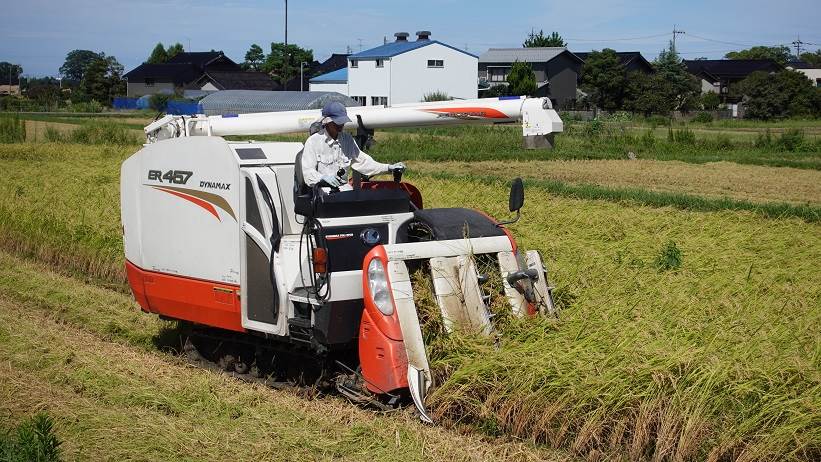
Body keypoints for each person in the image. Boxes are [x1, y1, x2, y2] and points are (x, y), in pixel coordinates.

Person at [301, 101, 404, 191]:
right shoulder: (313, 142)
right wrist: (322, 178)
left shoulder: (347, 140)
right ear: (326, 122)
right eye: (337, 123)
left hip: (344, 191)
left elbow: (363, 162)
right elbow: (308, 172)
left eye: (342, 122)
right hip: (322, 193)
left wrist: (389, 168)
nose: (340, 125)